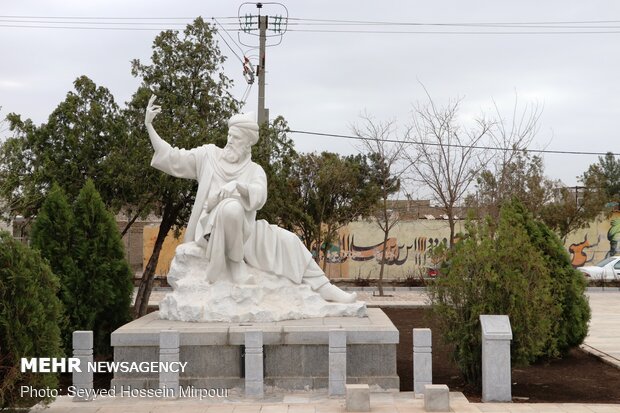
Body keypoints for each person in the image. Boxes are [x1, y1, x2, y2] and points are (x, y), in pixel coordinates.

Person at [145, 95, 357, 303]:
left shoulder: (255, 170)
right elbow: (173, 157)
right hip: (210, 231)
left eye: (235, 138)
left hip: (245, 232)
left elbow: (259, 197)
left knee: (288, 240)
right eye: (229, 136)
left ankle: (324, 287)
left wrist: (238, 186)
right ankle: (236, 265)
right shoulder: (208, 156)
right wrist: (150, 127)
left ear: (247, 144)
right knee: (231, 208)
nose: (229, 141)